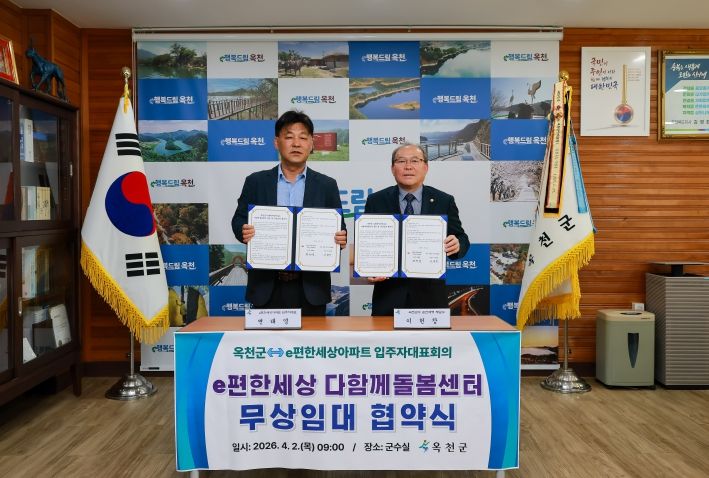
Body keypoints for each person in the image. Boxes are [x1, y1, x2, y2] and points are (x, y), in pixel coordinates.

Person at [232, 110, 347, 315]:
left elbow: (340, 228)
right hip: (266, 286)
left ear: (312, 144)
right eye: (289, 137)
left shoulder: (327, 185)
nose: (296, 144)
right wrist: (243, 230)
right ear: (277, 142)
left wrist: (340, 238)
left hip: (311, 288)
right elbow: (238, 219)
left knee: (311, 337)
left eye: (303, 137)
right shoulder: (256, 181)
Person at [364, 143, 470, 316]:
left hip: (430, 297)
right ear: (392, 168)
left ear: (425, 167)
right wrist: (369, 268)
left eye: (415, 161)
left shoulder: (444, 200)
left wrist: (457, 244)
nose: (408, 166)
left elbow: (461, 237)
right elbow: (369, 245)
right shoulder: (376, 200)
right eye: (401, 161)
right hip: (388, 296)